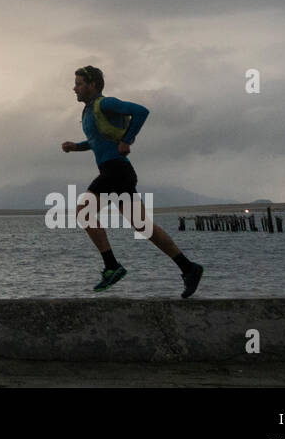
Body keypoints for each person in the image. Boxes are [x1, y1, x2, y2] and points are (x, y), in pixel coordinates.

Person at [61, 65, 204, 297]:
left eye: (78, 83)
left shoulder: (105, 104)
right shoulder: (88, 112)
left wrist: (128, 140)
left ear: (93, 85)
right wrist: (76, 147)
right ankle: (189, 268)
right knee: (143, 226)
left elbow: (141, 111)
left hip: (116, 171)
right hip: (118, 172)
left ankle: (112, 266)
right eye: (75, 83)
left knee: (83, 211)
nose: (74, 88)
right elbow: (98, 141)